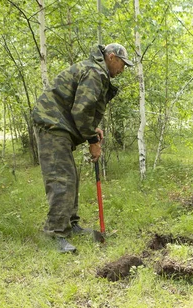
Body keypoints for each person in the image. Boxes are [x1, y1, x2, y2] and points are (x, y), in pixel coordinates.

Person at [32, 43, 133, 253]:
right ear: (112, 57)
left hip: (60, 124)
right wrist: (92, 141)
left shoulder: (94, 71)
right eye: (122, 64)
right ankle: (54, 233)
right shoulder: (95, 73)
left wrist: (93, 128)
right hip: (52, 124)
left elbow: (80, 107)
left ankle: (70, 224)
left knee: (70, 177)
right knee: (62, 179)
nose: (122, 70)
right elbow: (82, 110)